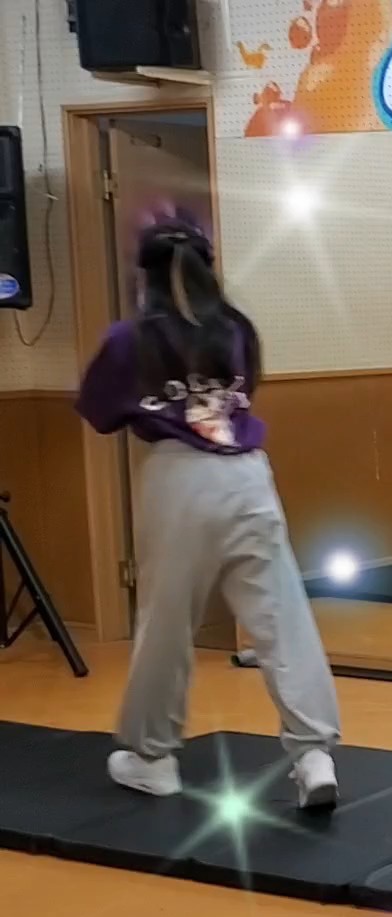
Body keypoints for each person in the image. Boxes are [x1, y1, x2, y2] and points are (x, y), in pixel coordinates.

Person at [73, 217, 341, 808]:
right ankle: (313, 754)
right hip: (248, 476)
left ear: (145, 277)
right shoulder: (236, 329)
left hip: (180, 480)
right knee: (282, 616)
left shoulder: (129, 339)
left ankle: (153, 758)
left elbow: (96, 410)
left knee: (166, 622)